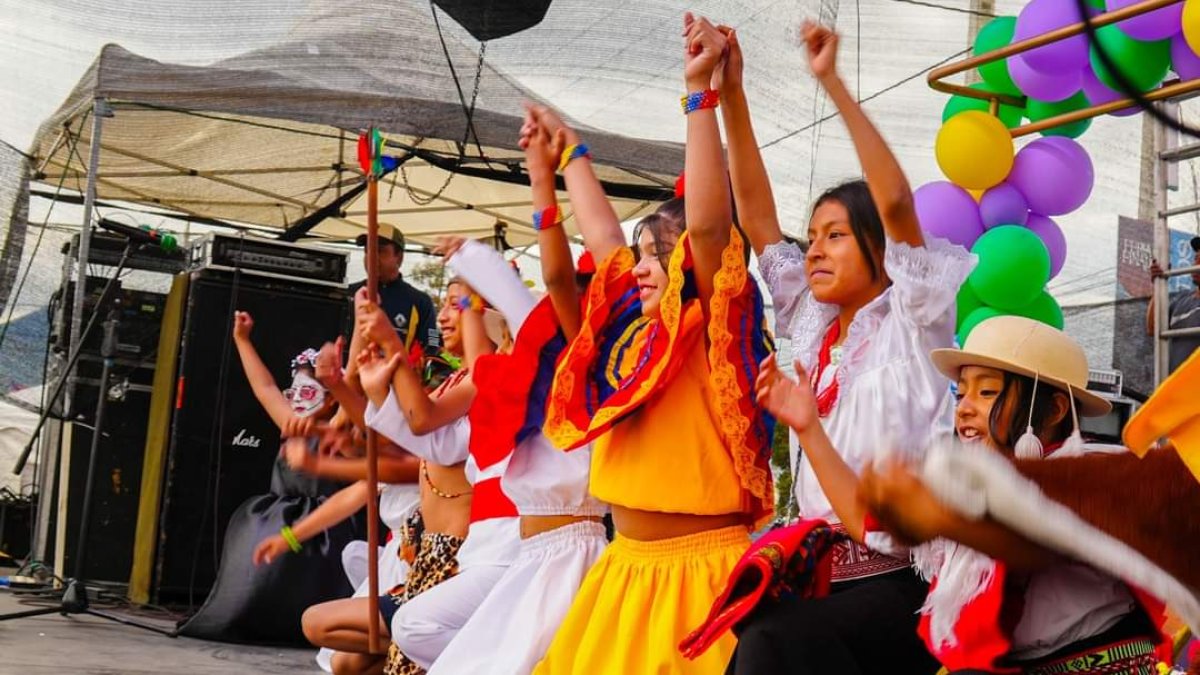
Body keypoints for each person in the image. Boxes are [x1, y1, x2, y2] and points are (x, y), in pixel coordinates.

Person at [718, 19, 973, 675]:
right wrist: (731, 92)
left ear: (878, 247)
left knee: (772, 645)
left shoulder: (915, 319)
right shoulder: (809, 323)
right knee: (748, 637)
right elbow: (755, 214)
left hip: (899, 581)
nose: (816, 249)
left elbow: (892, 198)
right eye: (814, 235)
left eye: (834, 235)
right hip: (815, 571)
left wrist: (831, 81)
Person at [530, 13, 776, 673]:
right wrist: (564, 159)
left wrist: (701, 94)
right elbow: (601, 246)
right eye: (641, 255)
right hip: (623, 574)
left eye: (656, 255)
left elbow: (705, 223)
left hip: (699, 577)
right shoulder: (629, 345)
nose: (638, 267)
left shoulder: (712, 332)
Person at [848, 315, 1167, 674]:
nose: (964, 408)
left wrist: (936, 517)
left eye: (986, 392)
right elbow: (869, 527)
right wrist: (808, 428)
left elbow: (1040, 539)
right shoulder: (967, 490)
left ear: (1055, 409)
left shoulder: (1094, 472)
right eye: (962, 392)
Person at [358, 278, 522, 674]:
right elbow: (427, 441)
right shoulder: (465, 381)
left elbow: (423, 425)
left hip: (469, 552)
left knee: (414, 640)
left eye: (457, 305)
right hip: (463, 553)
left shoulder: (503, 381)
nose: (445, 316)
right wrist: (375, 388)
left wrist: (391, 343)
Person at [351, 223, 441, 361]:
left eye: (380, 250)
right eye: (367, 250)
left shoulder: (422, 302)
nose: (371, 257)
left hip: (397, 379)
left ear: (399, 257)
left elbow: (432, 346)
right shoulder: (349, 293)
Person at [1146, 236, 1200, 373]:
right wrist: (1159, 284)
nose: (1196, 264)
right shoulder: (1182, 300)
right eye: (1196, 258)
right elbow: (1153, 328)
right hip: (1175, 387)